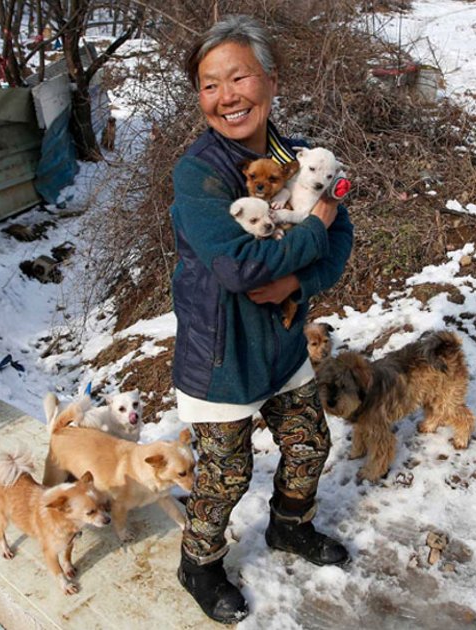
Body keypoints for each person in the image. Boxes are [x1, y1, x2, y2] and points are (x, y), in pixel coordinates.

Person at [169, 15, 354, 624]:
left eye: (238, 76)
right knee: (225, 474)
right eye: (209, 85)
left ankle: (289, 528)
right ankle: (199, 562)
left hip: (281, 342)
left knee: (309, 444)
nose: (226, 97)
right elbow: (239, 270)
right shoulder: (197, 174)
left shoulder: (301, 157)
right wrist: (315, 229)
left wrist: (297, 278)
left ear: (270, 80)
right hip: (219, 354)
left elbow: (342, 237)